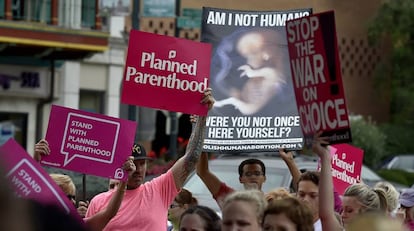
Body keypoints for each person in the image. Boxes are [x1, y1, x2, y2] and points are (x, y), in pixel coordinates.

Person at [85, 88, 215, 230]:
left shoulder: (159, 189)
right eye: (134, 164)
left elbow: (191, 158)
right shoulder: (99, 202)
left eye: (142, 164)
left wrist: (202, 117)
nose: (138, 170)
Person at [196, 152, 266, 209]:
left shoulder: (272, 200)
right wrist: (203, 143)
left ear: (264, 178)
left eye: (257, 174)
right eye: (248, 174)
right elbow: (202, 172)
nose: (253, 177)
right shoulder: (230, 197)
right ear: (240, 179)